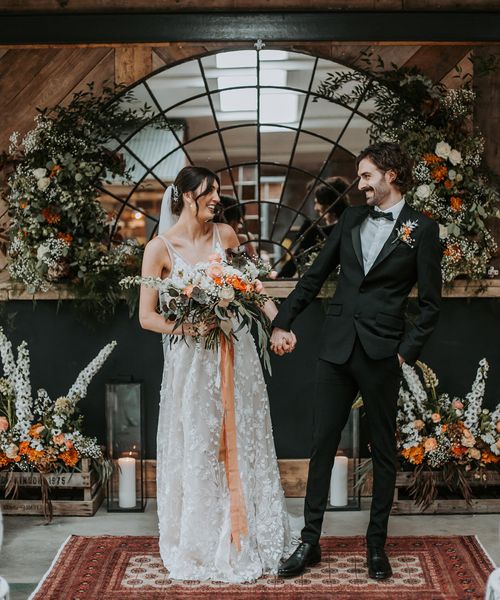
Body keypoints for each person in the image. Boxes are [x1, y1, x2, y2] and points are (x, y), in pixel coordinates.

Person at [271, 142, 442, 580]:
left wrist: (406, 351)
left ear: (392, 175)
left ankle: (376, 546)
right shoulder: (348, 219)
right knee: (321, 445)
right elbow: (314, 277)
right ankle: (309, 543)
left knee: (384, 452)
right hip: (335, 347)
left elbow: (430, 306)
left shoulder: (422, 229)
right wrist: (282, 320)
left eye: (367, 176)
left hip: (383, 352)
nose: (361, 184)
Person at [139, 166, 293, 582]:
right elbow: (146, 317)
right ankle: (204, 537)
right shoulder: (159, 248)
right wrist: (187, 327)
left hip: (236, 353)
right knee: (202, 442)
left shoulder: (226, 236)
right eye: (208, 192)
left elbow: (254, 288)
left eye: (218, 192)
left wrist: (278, 326)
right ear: (186, 197)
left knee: (244, 435)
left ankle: (247, 533)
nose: (216, 199)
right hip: (191, 362)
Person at [279, 177, 350, 278]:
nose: (315, 208)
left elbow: (296, 262)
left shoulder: (318, 232)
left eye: (317, 202)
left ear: (329, 204)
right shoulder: (350, 224)